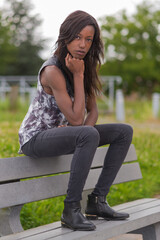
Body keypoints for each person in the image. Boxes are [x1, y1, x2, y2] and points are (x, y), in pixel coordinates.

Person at [18, 10, 133, 231]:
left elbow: (93, 112)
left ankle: (97, 201)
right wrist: (78, 78)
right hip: (35, 138)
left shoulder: (84, 65)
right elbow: (76, 118)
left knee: (123, 131)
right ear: (66, 36)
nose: (82, 44)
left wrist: (81, 136)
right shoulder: (52, 70)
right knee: (86, 132)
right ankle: (70, 210)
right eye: (77, 37)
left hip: (63, 134)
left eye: (88, 39)